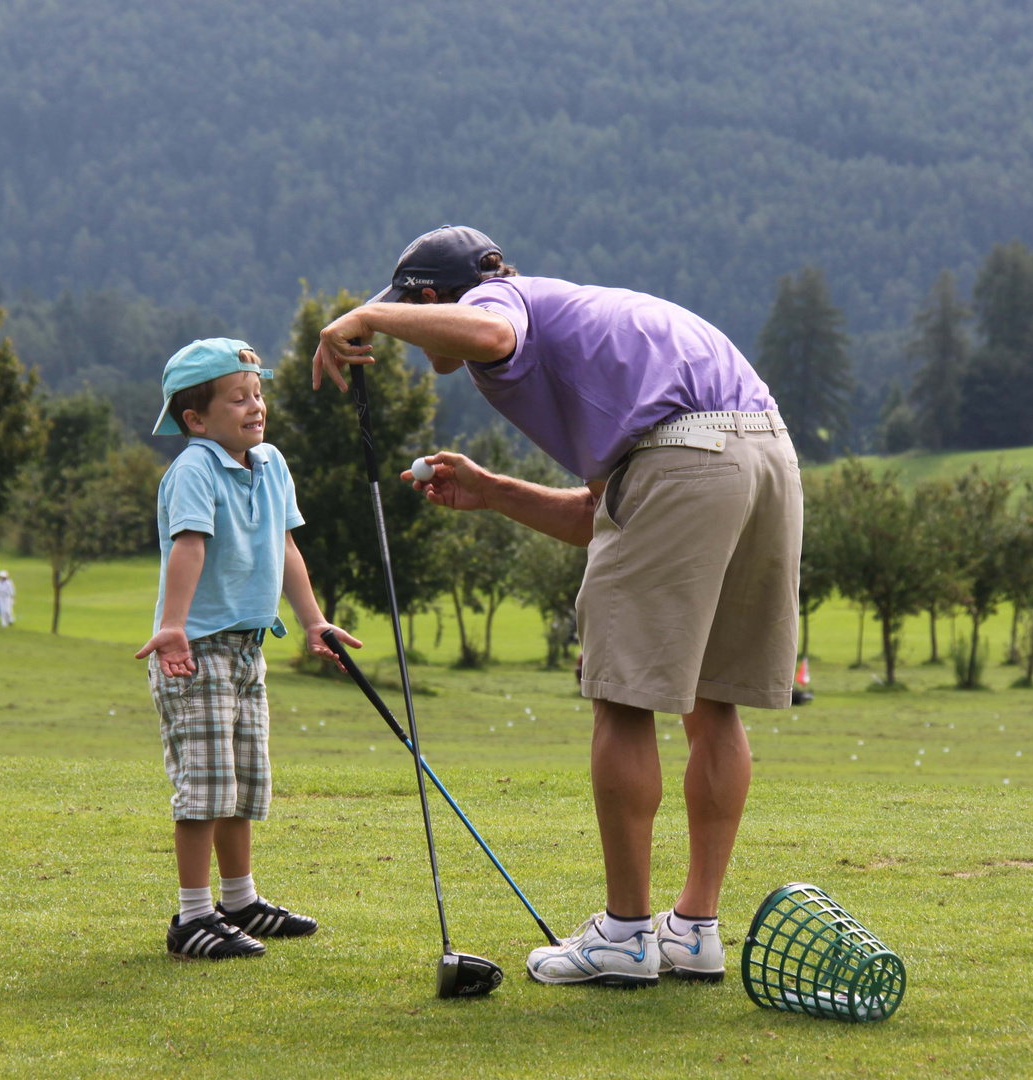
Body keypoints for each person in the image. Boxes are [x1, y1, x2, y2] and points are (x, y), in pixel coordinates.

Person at [314, 226, 802, 988]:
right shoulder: (574, 318)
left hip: (687, 460)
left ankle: (627, 935)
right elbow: (603, 514)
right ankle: (695, 929)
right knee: (715, 703)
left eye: (410, 314)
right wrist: (494, 491)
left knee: (623, 699)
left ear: (431, 299)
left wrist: (368, 319)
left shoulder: (500, 305)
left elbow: (487, 327)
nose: (412, 339)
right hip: (765, 450)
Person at [135, 338, 362, 960]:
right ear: (196, 420)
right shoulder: (194, 469)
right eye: (238, 399)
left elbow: (285, 549)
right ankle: (192, 918)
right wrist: (173, 626)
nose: (254, 407)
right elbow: (188, 546)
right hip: (196, 651)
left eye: (258, 394)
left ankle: (238, 902)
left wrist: (314, 621)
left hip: (245, 650)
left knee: (240, 785)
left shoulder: (271, 463)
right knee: (204, 788)